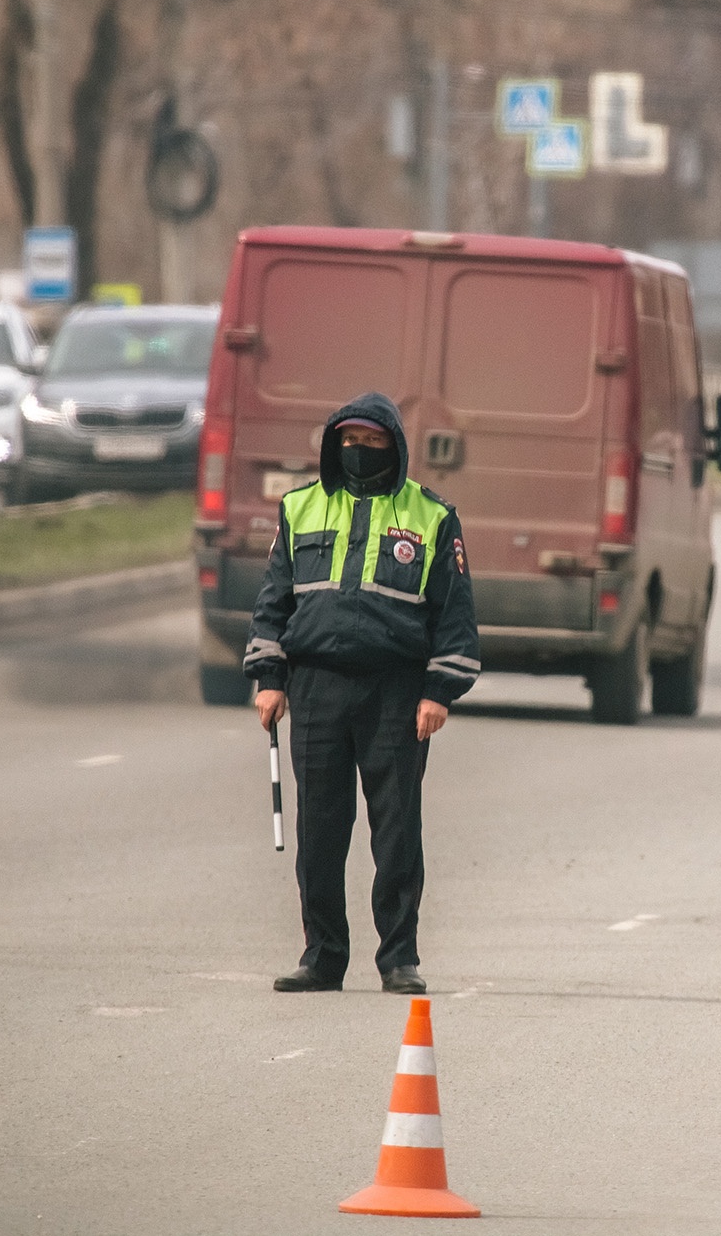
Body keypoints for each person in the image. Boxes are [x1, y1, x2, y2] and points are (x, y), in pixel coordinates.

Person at [243, 392, 479, 994]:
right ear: (332, 446)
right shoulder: (299, 508)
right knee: (319, 829)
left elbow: (455, 615)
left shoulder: (431, 515)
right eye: (350, 442)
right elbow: (274, 601)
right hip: (316, 687)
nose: (360, 452)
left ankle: (399, 958)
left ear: (394, 448)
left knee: (396, 829)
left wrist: (439, 692)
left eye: (374, 443)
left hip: (396, 694)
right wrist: (269, 680)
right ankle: (322, 957)